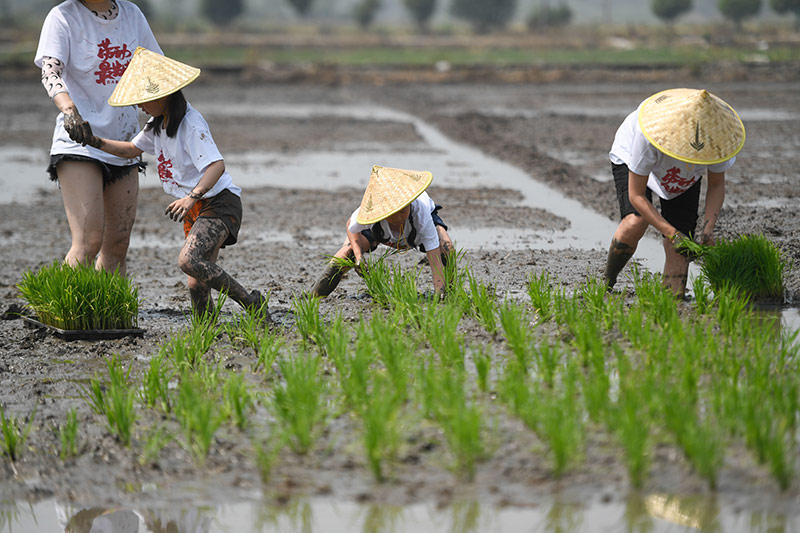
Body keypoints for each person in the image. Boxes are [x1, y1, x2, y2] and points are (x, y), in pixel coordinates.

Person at [70, 47, 268, 317]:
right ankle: (205, 329)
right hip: (197, 206)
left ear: (162, 95)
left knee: (189, 261)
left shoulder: (190, 124)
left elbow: (216, 166)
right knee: (196, 279)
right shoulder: (157, 124)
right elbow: (130, 150)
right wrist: (92, 140)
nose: (138, 105)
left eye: (142, 99)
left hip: (219, 203)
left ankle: (251, 302)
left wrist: (192, 197)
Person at [35, 0, 162, 275]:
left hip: (125, 141)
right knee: (88, 241)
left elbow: (154, 68)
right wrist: (69, 109)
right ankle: (63, 314)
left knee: (117, 244)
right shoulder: (63, 17)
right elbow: (50, 71)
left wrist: (173, 118)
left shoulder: (131, 14)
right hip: (80, 139)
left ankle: (109, 315)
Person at [603, 88, 745, 296]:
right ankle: (608, 281)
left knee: (681, 248)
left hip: (681, 176)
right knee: (636, 221)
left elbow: (716, 185)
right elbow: (636, 195)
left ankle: (672, 302)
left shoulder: (719, 140)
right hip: (633, 157)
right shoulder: (647, 136)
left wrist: (708, 228)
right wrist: (670, 232)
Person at [310, 165, 454, 299]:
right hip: (380, 232)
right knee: (346, 253)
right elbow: (351, 225)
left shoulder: (421, 214)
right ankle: (313, 297)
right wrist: (359, 256)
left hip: (414, 234)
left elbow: (434, 259)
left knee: (446, 246)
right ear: (382, 210)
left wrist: (439, 293)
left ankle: (448, 293)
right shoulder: (373, 209)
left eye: (402, 211)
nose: (398, 217)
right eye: (393, 213)